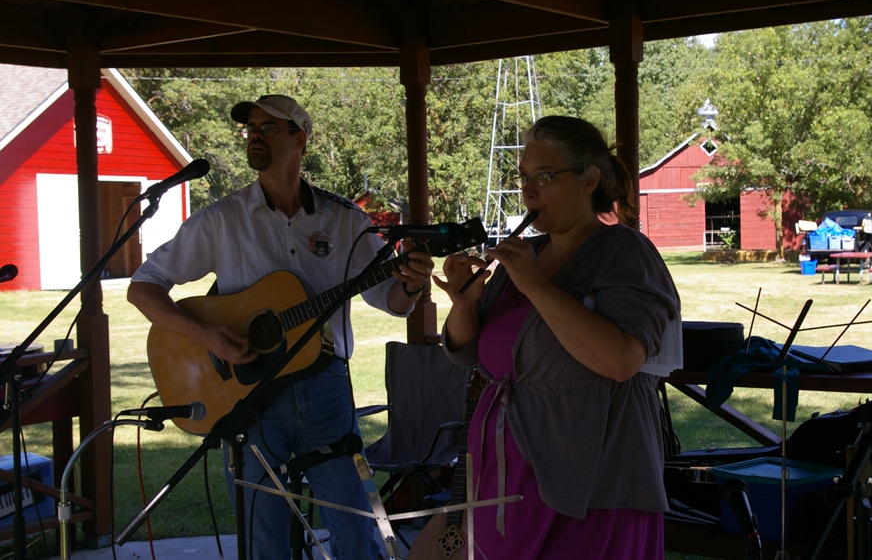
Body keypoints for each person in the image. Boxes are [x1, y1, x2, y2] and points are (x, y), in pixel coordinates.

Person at [127, 94, 434, 559]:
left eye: (269, 128)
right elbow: (143, 287)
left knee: (357, 530)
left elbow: (388, 300)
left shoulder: (346, 220)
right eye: (251, 128)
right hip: (250, 396)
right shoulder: (222, 220)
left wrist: (410, 285)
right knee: (264, 540)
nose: (255, 136)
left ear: (300, 140)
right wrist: (206, 336)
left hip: (327, 390)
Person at [433, 115, 680, 559]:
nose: (528, 191)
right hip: (508, 474)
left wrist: (537, 287)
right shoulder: (527, 255)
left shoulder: (624, 251)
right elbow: (468, 354)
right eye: (524, 177)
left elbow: (622, 360)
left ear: (589, 180)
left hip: (594, 483)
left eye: (544, 177)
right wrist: (465, 305)